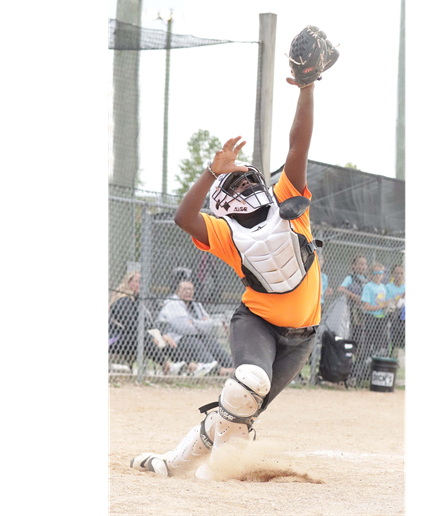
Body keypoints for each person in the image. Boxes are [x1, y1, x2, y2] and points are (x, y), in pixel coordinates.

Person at [131, 73, 322, 480]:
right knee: (247, 383)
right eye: (233, 184)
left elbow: (297, 145)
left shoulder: (288, 200)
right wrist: (209, 172)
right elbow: (184, 217)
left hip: (302, 337)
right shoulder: (226, 232)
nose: (244, 185)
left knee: (238, 411)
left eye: (247, 178)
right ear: (222, 202)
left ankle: (172, 464)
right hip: (257, 323)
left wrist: (307, 88)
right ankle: (216, 470)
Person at [108, 271, 183, 375]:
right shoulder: (122, 301)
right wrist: (152, 337)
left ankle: (188, 367)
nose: (141, 285)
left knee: (165, 340)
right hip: (114, 340)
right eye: (137, 281)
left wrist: (161, 336)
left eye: (142, 282)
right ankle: (167, 366)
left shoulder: (137, 302)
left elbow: (149, 324)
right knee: (143, 336)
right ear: (128, 283)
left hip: (133, 338)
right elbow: (132, 327)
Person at [158, 280, 235, 377]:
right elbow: (184, 328)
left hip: (196, 336)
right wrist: (200, 324)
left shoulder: (195, 304)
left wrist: (193, 322)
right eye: (185, 289)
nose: (188, 292)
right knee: (196, 344)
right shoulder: (173, 303)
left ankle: (235, 367)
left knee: (212, 343)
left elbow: (209, 325)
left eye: (190, 289)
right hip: (177, 339)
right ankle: (218, 370)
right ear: (178, 292)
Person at [354, 263, 391, 382]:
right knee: (367, 346)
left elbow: (385, 303)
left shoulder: (383, 287)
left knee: (380, 347)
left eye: (380, 273)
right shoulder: (368, 287)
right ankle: (360, 372)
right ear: (370, 275)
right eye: (375, 273)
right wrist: (383, 305)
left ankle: (375, 372)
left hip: (382, 319)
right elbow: (367, 307)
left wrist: (388, 306)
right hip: (371, 319)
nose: (378, 275)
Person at [336, 254, 369, 339]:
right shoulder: (350, 278)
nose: (363, 266)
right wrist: (355, 297)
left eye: (365, 264)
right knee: (355, 330)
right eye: (360, 264)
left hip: (366, 309)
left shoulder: (367, 279)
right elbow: (340, 289)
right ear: (353, 265)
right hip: (354, 308)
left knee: (364, 331)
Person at [384, 264, 407, 355]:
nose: (399, 276)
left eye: (401, 273)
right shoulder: (388, 287)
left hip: (404, 318)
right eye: (396, 273)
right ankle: (392, 355)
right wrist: (402, 296)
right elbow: (390, 304)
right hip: (394, 318)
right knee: (394, 342)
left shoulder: (404, 287)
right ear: (392, 275)